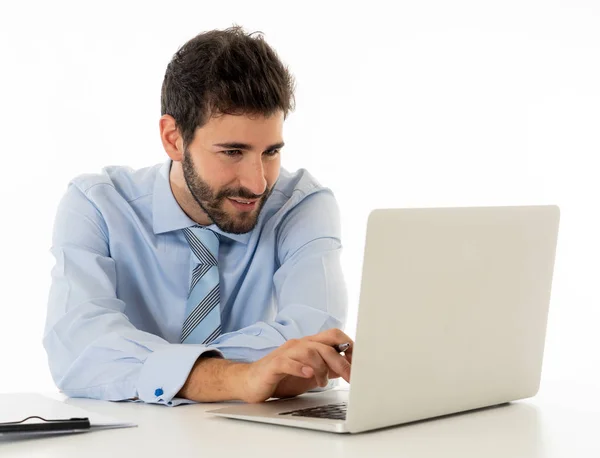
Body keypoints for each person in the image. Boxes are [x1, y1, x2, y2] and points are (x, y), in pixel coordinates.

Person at [43, 26, 352, 406]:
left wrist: (145, 369)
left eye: (270, 152)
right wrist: (240, 378)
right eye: (232, 152)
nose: (258, 184)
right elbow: (78, 349)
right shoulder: (96, 206)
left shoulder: (302, 205)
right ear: (174, 138)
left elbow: (316, 344)